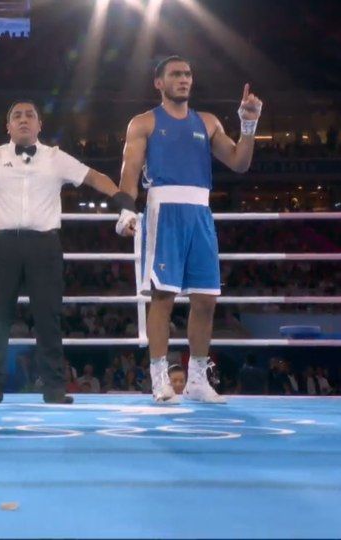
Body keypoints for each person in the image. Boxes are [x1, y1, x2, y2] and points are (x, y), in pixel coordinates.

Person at [0, 100, 134, 404]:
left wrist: (122, 200)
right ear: (8, 126)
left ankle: (55, 388)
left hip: (44, 244)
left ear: (39, 125)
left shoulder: (55, 158)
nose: (24, 120)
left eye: (30, 115)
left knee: (48, 316)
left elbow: (93, 177)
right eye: (17, 116)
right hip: (2, 244)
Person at [117, 55, 263, 404]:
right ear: (159, 82)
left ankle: (197, 379)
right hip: (163, 211)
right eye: (175, 74)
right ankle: (159, 379)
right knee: (162, 297)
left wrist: (248, 125)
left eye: (187, 74)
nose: (183, 79)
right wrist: (125, 209)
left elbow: (239, 163)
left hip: (200, 212)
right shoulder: (144, 123)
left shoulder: (208, 122)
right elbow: (130, 170)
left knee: (206, 299)